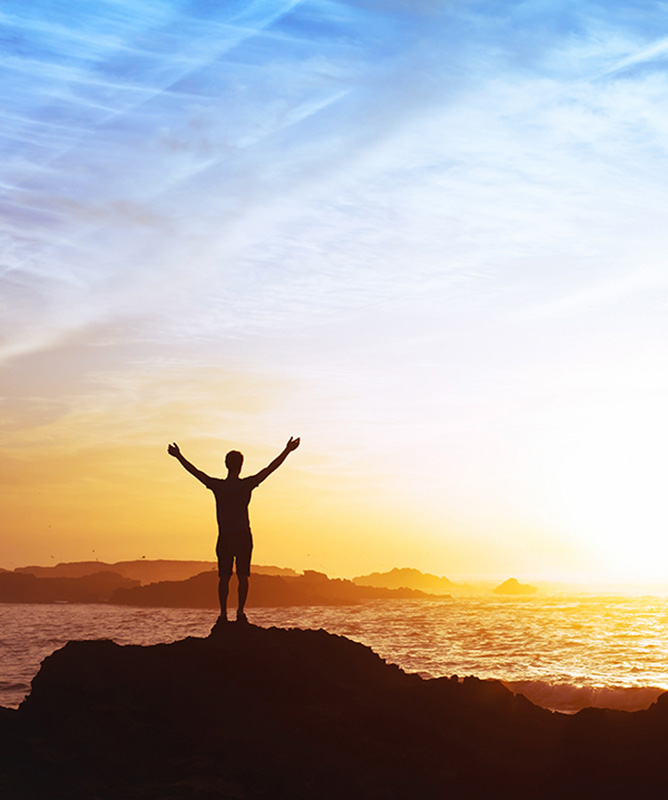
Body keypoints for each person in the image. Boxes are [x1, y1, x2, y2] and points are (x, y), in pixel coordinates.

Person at [167, 437, 300, 627]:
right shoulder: (246, 485)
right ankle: (240, 613)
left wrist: (179, 456)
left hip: (226, 536)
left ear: (226, 465)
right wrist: (287, 450)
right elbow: (270, 469)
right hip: (243, 535)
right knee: (243, 576)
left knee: (224, 577)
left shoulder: (218, 486)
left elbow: (196, 473)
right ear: (241, 466)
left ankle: (223, 614)